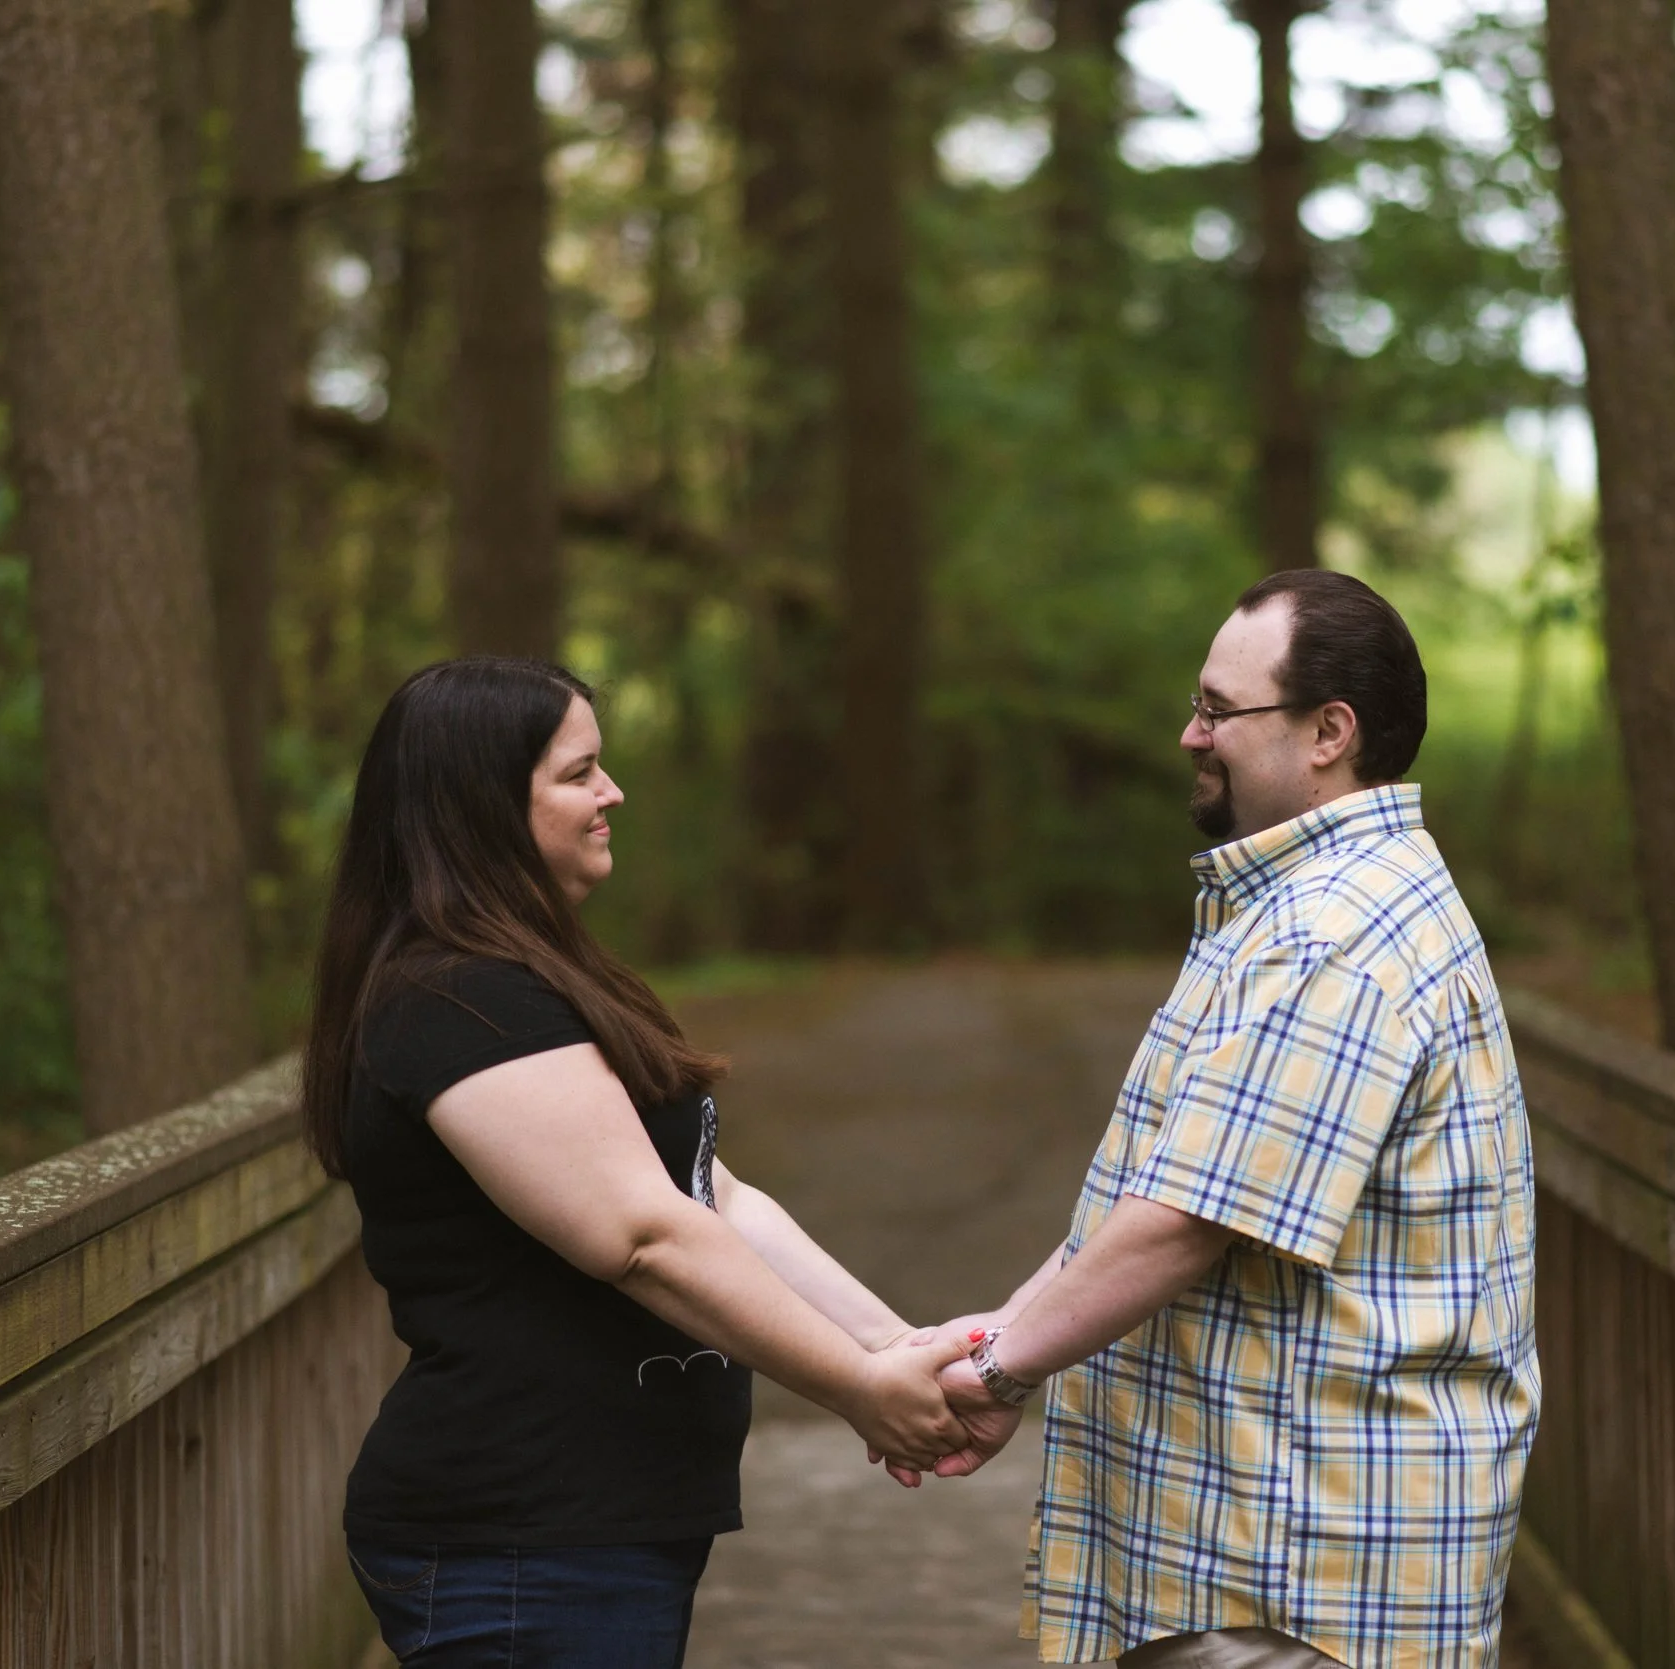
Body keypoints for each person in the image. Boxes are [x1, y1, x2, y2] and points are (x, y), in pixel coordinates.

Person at [899, 571, 1541, 1668]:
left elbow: (1187, 1221)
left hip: (1300, 1574)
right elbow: (1163, 1186)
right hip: (1268, 1556)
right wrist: (999, 1331)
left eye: (1218, 708)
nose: (1191, 733)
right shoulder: (1307, 907)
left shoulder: (1333, 934)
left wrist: (1000, 1369)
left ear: (1329, 731)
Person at [300, 657, 974, 1668]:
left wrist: (893, 1345)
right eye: (579, 773)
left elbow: (712, 1197)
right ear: (485, 806)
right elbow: (642, 1236)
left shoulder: (534, 979)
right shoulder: (460, 1001)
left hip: (587, 1530)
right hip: (525, 1538)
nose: (612, 792)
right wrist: (857, 1388)